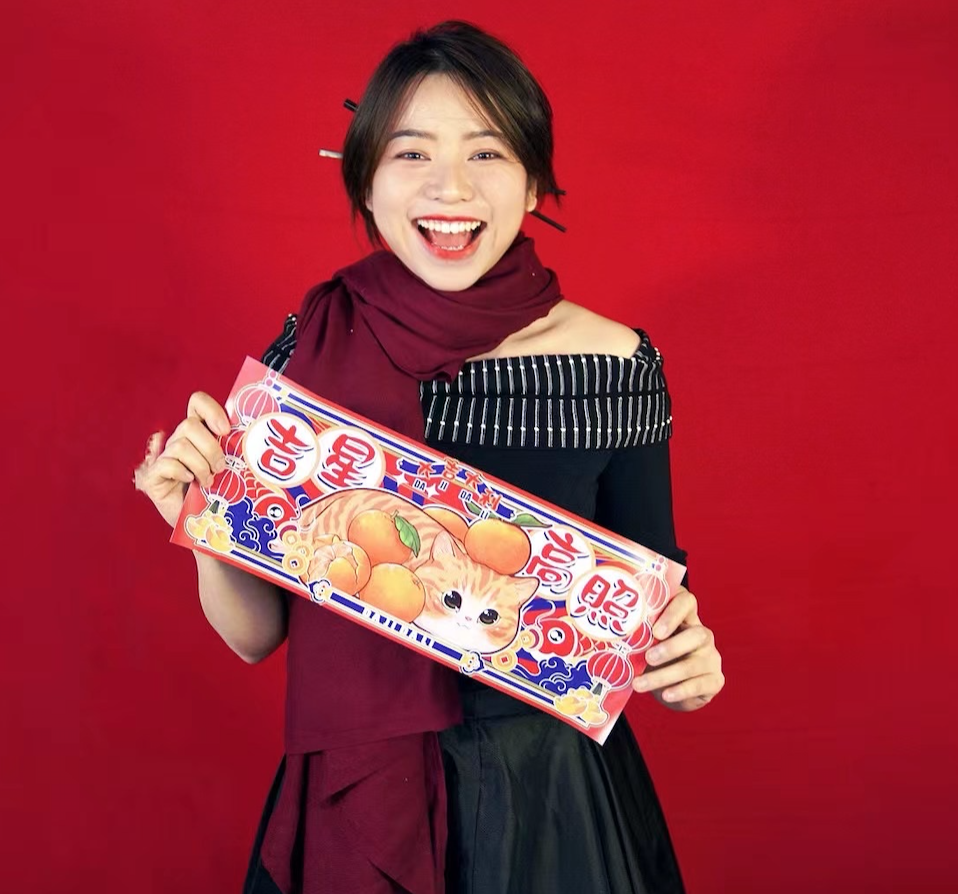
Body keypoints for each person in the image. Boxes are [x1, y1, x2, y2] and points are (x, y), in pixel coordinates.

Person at [135, 20, 724, 894]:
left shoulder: (614, 364)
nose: (451, 187)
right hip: (356, 788)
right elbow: (256, 636)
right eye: (412, 153)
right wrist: (197, 520)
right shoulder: (313, 347)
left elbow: (650, 611)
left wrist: (686, 661)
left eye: (487, 153)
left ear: (534, 182)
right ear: (366, 181)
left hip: (547, 798)